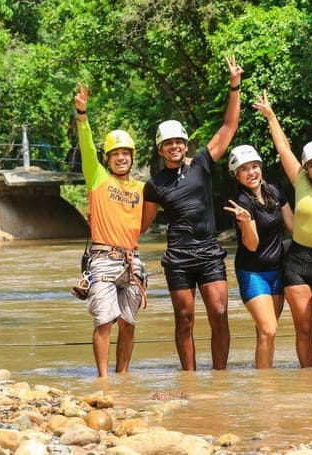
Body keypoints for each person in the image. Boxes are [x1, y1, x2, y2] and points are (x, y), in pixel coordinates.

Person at [141, 56, 243, 370]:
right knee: (184, 318)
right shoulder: (154, 185)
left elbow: (229, 126)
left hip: (210, 252)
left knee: (219, 313)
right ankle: (188, 377)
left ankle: (220, 374)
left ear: (186, 144)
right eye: (168, 143)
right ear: (160, 149)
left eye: (179, 141)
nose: (174, 146)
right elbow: (141, 225)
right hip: (179, 257)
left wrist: (234, 85)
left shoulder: (201, 163)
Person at [252, 91, 312, 368]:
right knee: (304, 330)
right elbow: (283, 149)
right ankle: (308, 385)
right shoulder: (301, 181)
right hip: (297, 264)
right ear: (306, 168)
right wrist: (270, 116)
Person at [72, 83, 147, 378]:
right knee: (104, 320)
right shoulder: (97, 178)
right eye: (115, 154)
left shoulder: (142, 188)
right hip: (103, 259)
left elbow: (152, 216)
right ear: (108, 158)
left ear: (132, 157)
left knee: (128, 322)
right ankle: (103, 379)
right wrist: (82, 113)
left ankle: (123, 376)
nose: (121, 158)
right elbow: (87, 145)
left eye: (126, 154)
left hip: (132, 260)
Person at [223, 145, 294, 369]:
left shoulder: (275, 191)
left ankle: (264, 381)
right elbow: (252, 245)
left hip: (278, 270)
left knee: (266, 333)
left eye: (254, 166)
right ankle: (264, 386)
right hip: (253, 272)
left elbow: (292, 225)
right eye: (244, 169)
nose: (251, 172)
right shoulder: (241, 203)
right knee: (268, 329)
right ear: (236, 174)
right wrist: (244, 222)